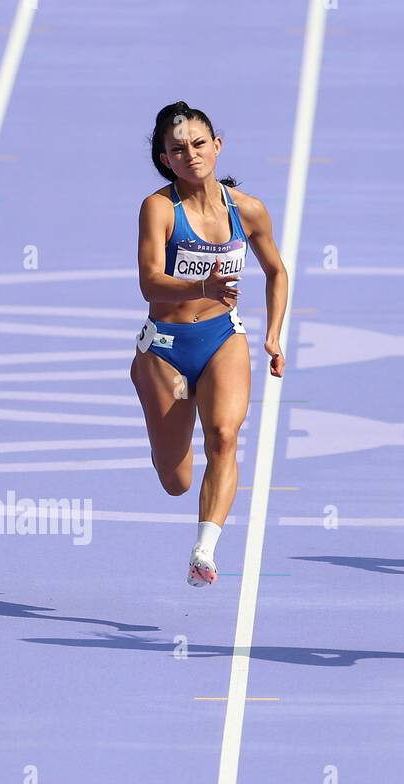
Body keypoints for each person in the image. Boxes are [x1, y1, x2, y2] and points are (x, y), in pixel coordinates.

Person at [131, 101, 289, 585]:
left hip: (223, 338)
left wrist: (274, 335)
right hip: (165, 351)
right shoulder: (159, 209)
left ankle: (205, 550)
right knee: (176, 480)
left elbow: (277, 271)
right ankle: (167, 445)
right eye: (178, 150)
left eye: (199, 144)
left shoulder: (249, 210)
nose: (191, 155)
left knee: (224, 436)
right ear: (165, 159)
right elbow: (150, 283)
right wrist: (202, 287)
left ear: (217, 146)